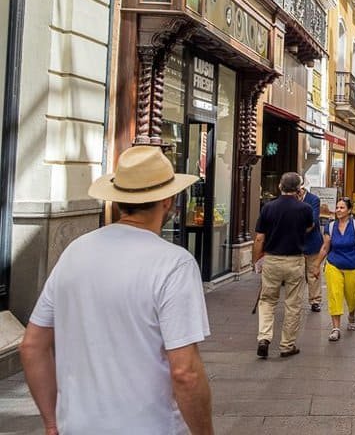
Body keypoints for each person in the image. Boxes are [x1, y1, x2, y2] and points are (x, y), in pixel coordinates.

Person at [20, 145, 213, 434]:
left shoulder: (75, 252)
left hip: (78, 426)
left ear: (119, 199)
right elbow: (185, 371)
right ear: (168, 201)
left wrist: (51, 423)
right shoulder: (174, 264)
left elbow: (32, 345)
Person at [253, 172, 314, 358]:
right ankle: (287, 345)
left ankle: (264, 338)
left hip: (272, 259)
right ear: (298, 189)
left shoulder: (268, 207)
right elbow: (310, 227)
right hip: (294, 260)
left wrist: (257, 260)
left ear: (280, 186)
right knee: (293, 304)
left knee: (267, 301)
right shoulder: (305, 208)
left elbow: (259, 238)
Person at [313, 197, 355, 341]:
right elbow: (325, 248)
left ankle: (351, 313)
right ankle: (335, 328)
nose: (338, 210)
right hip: (333, 265)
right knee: (334, 295)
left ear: (349, 210)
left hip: (353, 265)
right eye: (337, 207)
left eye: (342, 207)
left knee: (352, 296)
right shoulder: (330, 227)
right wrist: (317, 265)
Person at [302, 180, 323, 313]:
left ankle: (315, 300)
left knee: (313, 272)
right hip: (295, 245)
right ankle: (295, 300)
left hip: (312, 242)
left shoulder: (313, 199)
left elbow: (313, 220)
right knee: (297, 275)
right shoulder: (290, 198)